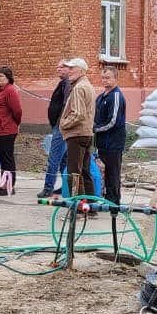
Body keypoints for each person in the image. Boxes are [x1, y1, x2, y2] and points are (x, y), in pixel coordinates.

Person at [59, 58, 96, 199]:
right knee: (85, 171)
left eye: (72, 68)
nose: (69, 71)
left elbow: (78, 114)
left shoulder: (79, 88)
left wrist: (63, 124)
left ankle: (78, 208)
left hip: (77, 134)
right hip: (86, 134)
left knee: (74, 174)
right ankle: (91, 207)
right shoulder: (88, 86)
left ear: (81, 71)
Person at [93, 65, 127, 205]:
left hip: (113, 143)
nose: (105, 80)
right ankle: (105, 197)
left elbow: (113, 121)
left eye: (108, 78)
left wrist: (95, 129)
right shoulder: (101, 97)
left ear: (115, 79)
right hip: (102, 143)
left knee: (113, 174)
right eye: (103, 77)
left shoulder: (116, 96)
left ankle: (114, 203)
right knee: (103, 172)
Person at [38, 61, 71, 199]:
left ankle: (48, 187)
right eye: (57, 66)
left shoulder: (68, 84)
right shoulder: (63, 83)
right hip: (59, 126)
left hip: (61, 127)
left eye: (62, 66)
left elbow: (67, 105)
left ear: (70, 69)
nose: (58, 68)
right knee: (63, 159)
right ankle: (64, 186)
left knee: (54, 158)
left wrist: (61, 123)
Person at [0, 66, 22, 195]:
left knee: (7, 159)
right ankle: (3, 184)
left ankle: (9, 187)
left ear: (8, 78)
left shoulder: (10, 91)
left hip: (7, 131)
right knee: (2, 159)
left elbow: (17, 111)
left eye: (1, 76)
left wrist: (14, 123)